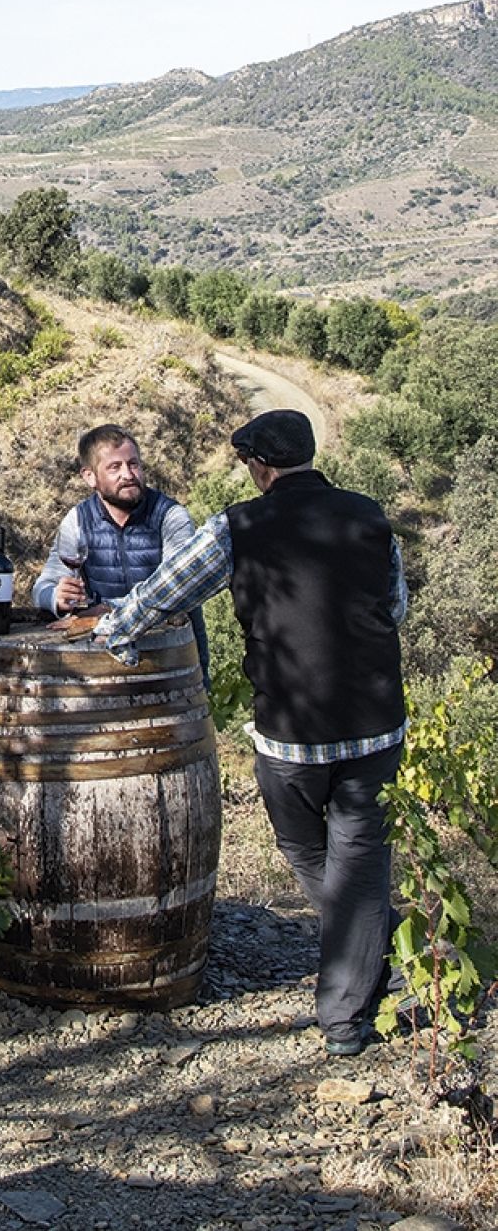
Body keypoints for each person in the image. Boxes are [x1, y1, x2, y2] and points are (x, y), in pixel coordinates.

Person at [90, 408, 407, 1058]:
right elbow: (395, 605)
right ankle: (374, 939)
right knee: (362, 859)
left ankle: (346, 1017)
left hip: (291, 736)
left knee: (305, 848)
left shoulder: (238, 525)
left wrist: (116, 631)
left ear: (260, 467)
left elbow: (167, 593)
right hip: (377, 726)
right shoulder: (371, 515)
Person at [32, 424, 210, 679]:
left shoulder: (171, 516)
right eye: (115, 467)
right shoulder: (78, 520)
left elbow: (176, 591)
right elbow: (41, 588)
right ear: (89, 476)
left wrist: (106, 610)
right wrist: (56, 598)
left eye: (133, 464)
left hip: (171, 663)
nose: (128, 474)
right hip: (103, 666)